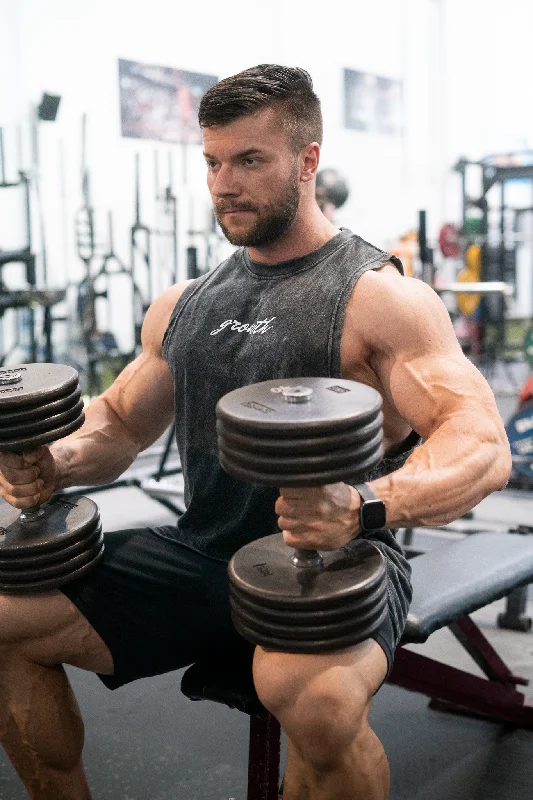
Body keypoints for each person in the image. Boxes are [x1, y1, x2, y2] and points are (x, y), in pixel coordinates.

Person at [0, 65, 511, 800]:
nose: (222, 184)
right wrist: (56, 463)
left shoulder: (380, 299)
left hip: (335, 561)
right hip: (199, 549)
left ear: (307, 161)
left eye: (248, 160)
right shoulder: (185, 303)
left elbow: (479, 443)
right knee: (7, 620)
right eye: (212, 161)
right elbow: (116, 424)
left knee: (317, 700)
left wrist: (365, 506)